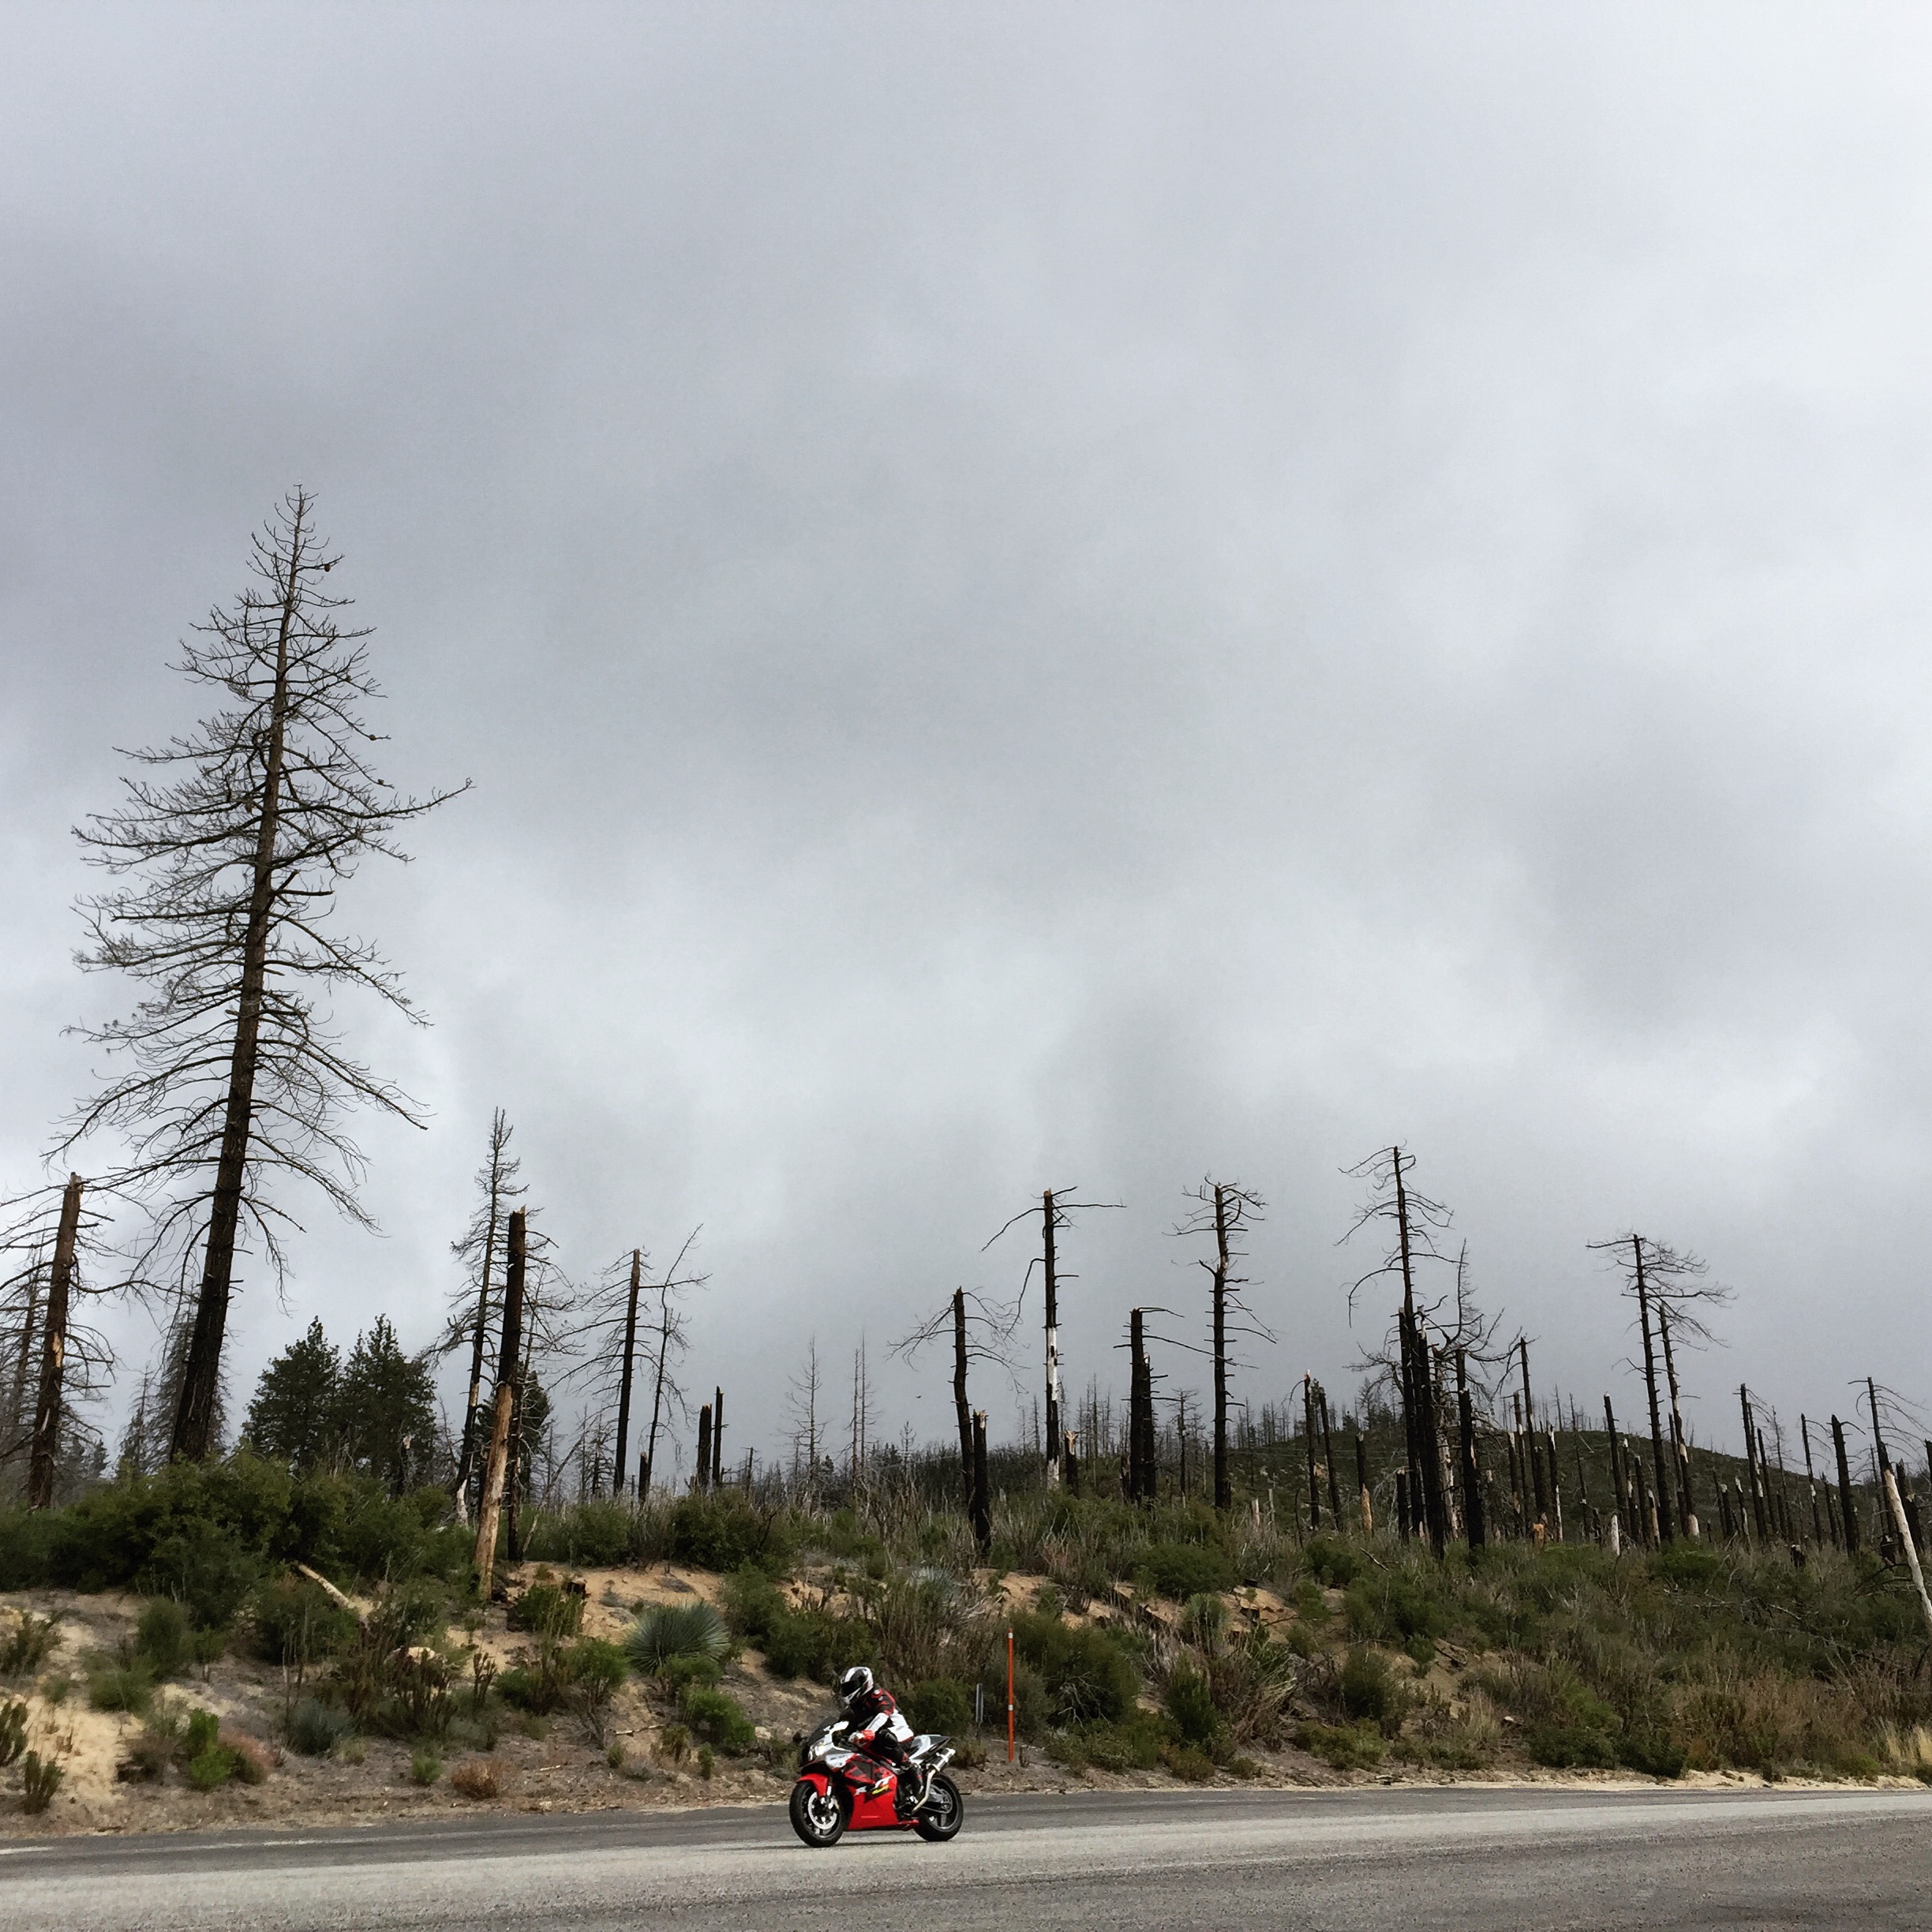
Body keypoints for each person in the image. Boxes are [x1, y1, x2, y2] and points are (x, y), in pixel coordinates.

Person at [836, 1664, 919, 1815]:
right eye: (846, 1688)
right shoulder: (854, 1709)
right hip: (872, 1740)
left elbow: (883, 1715)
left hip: (899, 1733)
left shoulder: (878, 1695)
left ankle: (910, 1768)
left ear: (864, 1682)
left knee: (883, 1736)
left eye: (852, 1686)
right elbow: (843, 1728)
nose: (848, 1691)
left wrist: (869, 1732)